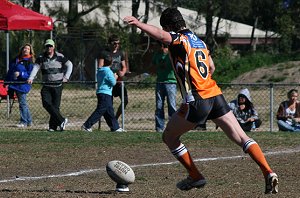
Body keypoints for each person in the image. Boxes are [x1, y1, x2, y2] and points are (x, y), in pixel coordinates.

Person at [123, 8, 278, 194]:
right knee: (243, 138)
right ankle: (268, 171)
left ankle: (195, 176)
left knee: (169, 137)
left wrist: (139, 24)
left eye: (166, 28)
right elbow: (211, 66)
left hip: (197, 99)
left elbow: (163, 37)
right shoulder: (200, 41)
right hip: (216, 95)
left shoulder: (178, 39)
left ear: (171, 27)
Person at [27, 39, 73, 131]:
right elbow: (36, 68)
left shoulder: (60, 56)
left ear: (54, 47)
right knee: (46, 103)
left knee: (55, 107)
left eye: (50, 46)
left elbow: (70, 65)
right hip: (46, 86)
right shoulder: (41, 57)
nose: (49, 48)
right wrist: (31, 77)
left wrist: (66, 77)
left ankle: (53, 127)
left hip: (58, 85)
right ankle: (62, 120)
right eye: (47, 46)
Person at [81, 55, 125, 133]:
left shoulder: (100, 70)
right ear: (111, 63)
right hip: (105, 93)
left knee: (109, 111)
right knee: (100, 111)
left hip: (101, 92)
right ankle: (87, 125)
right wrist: (115, 77)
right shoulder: (108, 71)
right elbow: (113, 83)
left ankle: (115, 127)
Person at [98, 34, 128, 120]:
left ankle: (115, 118)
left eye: (118, 43)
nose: (116, 45)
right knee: (108, 103)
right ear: (109, 43)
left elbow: (124, 66)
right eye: (114, 43)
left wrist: (123, 72)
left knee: (125, 100)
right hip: (109, 81)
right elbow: (100, 67)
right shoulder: (104, 53)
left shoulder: (120, 53)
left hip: (118, 81)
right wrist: (110, 74)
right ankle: (111, 121)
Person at [5, 43, 34, 128]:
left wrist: (21, 74)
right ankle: (29, 121)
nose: (26, 50)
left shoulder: (29, 61)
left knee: (22, 103)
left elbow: (30, 74)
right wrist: (6, 82)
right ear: (22, 50)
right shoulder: (15, 60)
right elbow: (10, 72)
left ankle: (23, 122)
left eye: (28, 49)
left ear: (30, 51)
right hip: (14, 84)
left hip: (23, 85)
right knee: (23, 103)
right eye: (25, 48)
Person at [151, 42, 177, 132]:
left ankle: (173, 127)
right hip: (159, 82)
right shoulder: (156, 55)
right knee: (159, 105)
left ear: (161, 45)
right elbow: (153, 66)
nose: (154, 47)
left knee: (172, 106)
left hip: (170, 82)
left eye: (156, 45)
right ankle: (159, 127)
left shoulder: (170, 54)